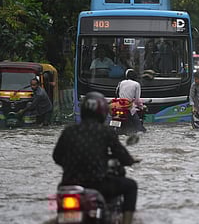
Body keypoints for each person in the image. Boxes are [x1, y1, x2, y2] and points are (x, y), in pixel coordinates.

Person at [53, 92, 138, 224]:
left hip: (69, 185)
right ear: (102, 112)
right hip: (97, 184)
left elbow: (57, 157)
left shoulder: (69, 130)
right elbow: (122, 155)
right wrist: (130, 160)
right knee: (131, 186)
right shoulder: (106, 131)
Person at [116, 69, 147, 134]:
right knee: (139, 127)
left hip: (119, 104)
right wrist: (141, 107)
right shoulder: (136, 84)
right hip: (129, 106)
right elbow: (137, 100)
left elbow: (117, 93)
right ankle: (139, 129)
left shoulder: (121, 82)